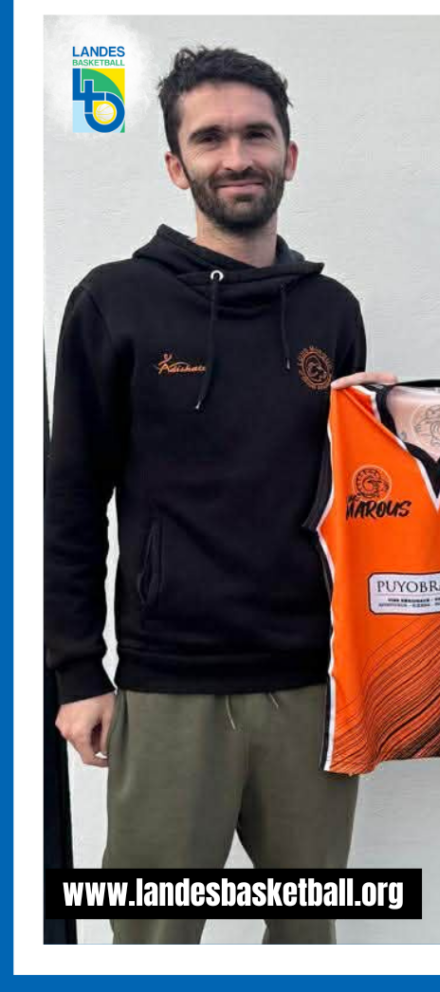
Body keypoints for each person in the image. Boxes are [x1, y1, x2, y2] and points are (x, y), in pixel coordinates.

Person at [44, 47, 365, 944]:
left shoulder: (332, 312)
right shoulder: (113, 302)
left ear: (289, 155)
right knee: (154, 941)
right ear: (176, 164)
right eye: (210, 138)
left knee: (307, 937)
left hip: (310, 685)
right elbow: (69, 499)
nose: (237, 157)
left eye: (256, 135)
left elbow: (357, 497)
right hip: (168, 685)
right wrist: (77, 672)